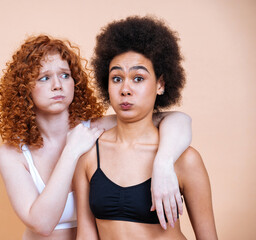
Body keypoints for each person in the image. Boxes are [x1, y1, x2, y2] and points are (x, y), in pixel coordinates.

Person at [0, 34, 192, 239]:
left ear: (75, 81)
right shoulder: (13, 154)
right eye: (44, 78)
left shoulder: (94, 129)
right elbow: (42, 224)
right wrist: (71, 151)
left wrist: (164, 164)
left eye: (64, 75)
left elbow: (178, 119)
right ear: (24, 89)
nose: (57, 85)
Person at [74, 16, 217, 240]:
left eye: (138, 78)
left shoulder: (185, 160)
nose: (125, 89)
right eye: (117, 78)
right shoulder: (89, 155)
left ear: (160, 84)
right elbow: (85, 235)